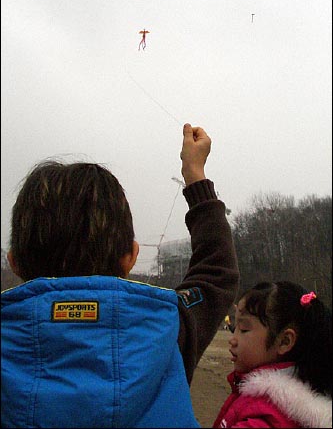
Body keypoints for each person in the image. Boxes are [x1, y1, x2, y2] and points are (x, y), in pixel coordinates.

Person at [1, 123, 240, 428]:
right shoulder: (167, 328)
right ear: (131, 257)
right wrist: (195, 174)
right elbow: (217, 271)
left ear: (14, 263)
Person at [213, 281, 332, 428]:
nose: (233, 340)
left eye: (243, 329)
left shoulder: (265, 418)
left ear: (284, 341)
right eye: (234, 328)